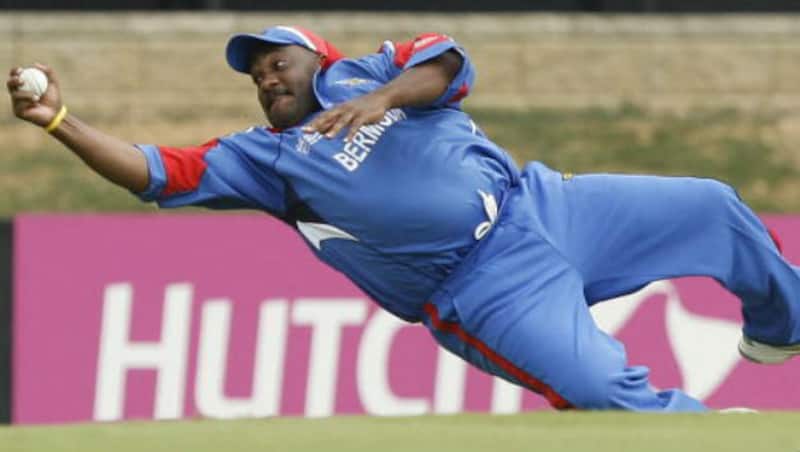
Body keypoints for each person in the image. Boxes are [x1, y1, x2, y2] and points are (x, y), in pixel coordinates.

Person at [7, 25, 800, 412]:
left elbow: (448, 63)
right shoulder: (262, 159)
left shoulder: (377, 69)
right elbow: (151, 171)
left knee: (713, 205)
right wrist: (57, 120)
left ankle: (782, 325)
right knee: (600, 389)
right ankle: (712, 433)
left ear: (318, 56)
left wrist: (378, 98)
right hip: (482, 287)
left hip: (546, 204)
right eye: (255, 75)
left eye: (276, 62)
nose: (265, 80)